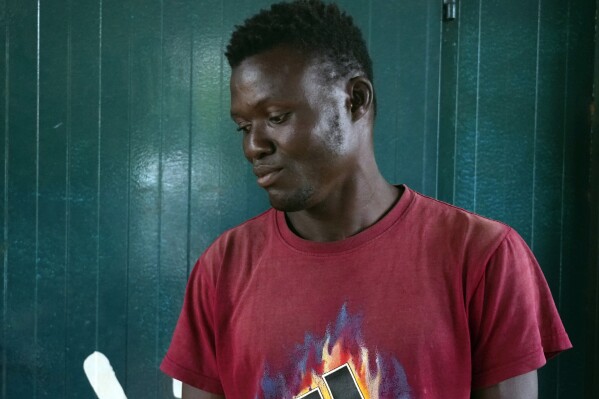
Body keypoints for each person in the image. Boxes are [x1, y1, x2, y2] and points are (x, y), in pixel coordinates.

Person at [160, 1, 572, 398]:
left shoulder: (483, 257)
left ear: (355, 99)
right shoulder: (222, 269)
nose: (254, 146)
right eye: (243, 126)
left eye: (277, 117)